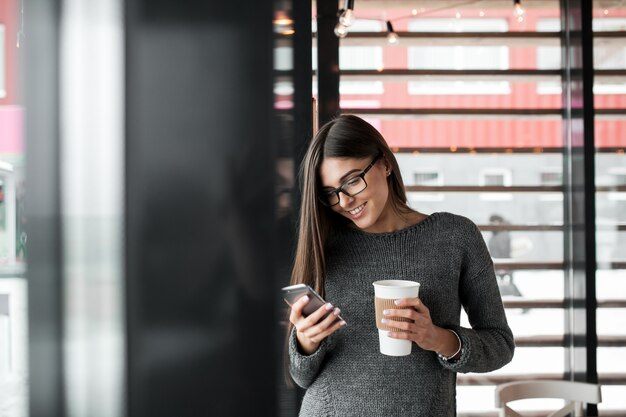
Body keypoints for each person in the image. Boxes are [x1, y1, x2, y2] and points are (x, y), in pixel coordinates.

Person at [286, 115, 515, 416]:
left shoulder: (455, 237)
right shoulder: (322, 243)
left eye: (352, 180)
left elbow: (499, 345)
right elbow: (301, 377)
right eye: (330, 192)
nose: (344, 201)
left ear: (385, 163)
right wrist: (305, 341)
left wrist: (438, 338)